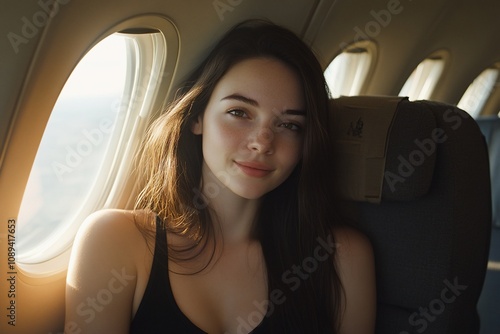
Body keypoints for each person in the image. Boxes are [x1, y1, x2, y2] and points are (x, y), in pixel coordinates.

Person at [65, 20, 376, 334]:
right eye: (239, 113)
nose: (262, 142)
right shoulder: (115, 240)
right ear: (197, 117)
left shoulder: (341, 258)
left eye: (289, 125)